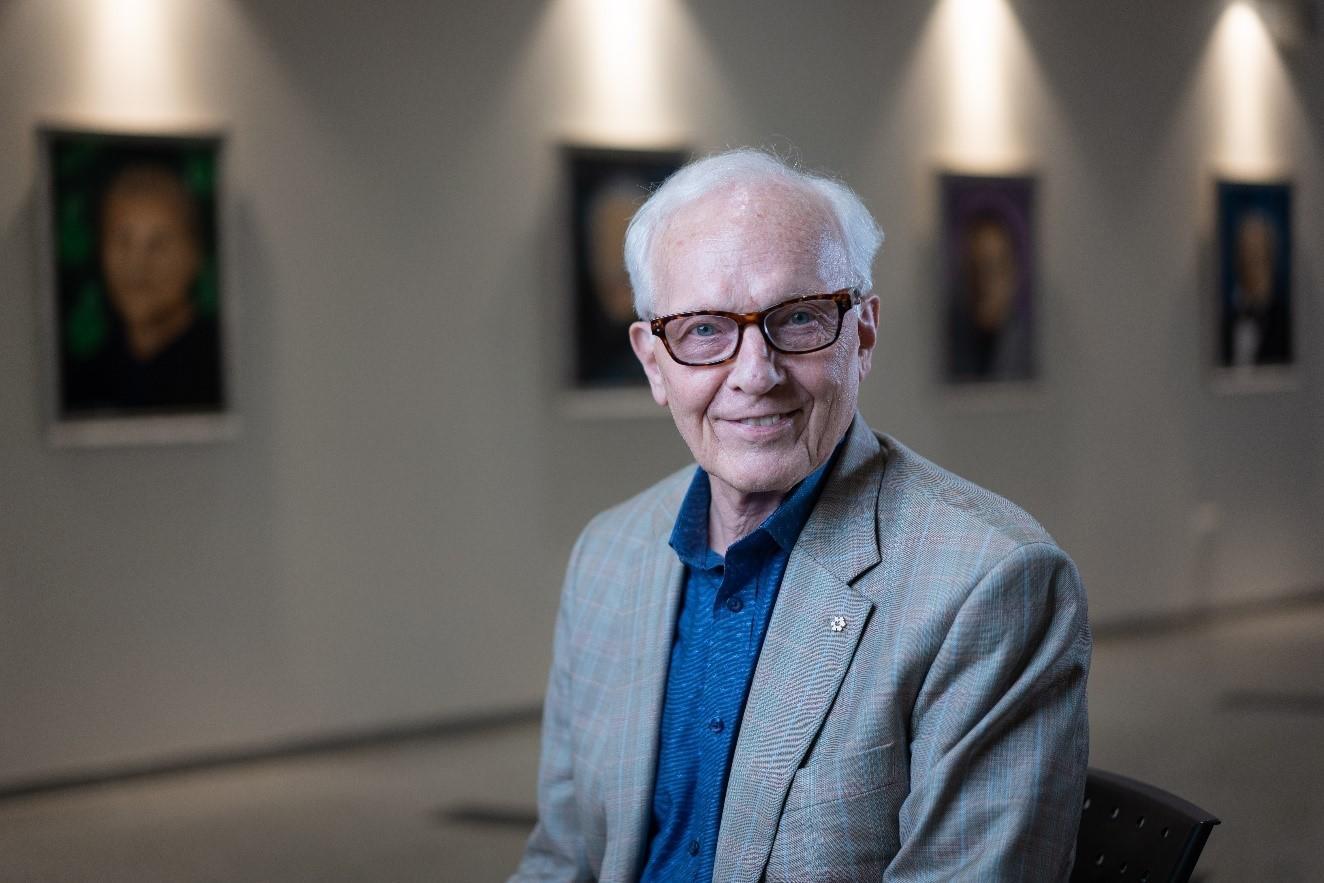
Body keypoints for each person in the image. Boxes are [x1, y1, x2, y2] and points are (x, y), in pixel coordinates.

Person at [512, 150, 1090, 881]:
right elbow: (563, 860)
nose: (756, 374)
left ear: (864, 333)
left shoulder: (990, 585)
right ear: (654, 363)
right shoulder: (608, 556)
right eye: (703, 331)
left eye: (800, 318)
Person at [63, 163, 224, 414]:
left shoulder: (224, 368)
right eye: (123, 242)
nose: (137, 265)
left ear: (195, 256)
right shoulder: (85, 382)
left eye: (158, 244)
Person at [947, 209, 1033, 381]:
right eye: (978, 268)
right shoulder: (948, 345)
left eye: (996, 267)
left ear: (1014, 273)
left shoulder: (1029, 349)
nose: (986, 282)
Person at [1221, 210, 1291, 368]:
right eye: (1245, 253)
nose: (1250, 263)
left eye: (1257, 255)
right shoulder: (1229, 318)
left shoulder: (1283, 320)